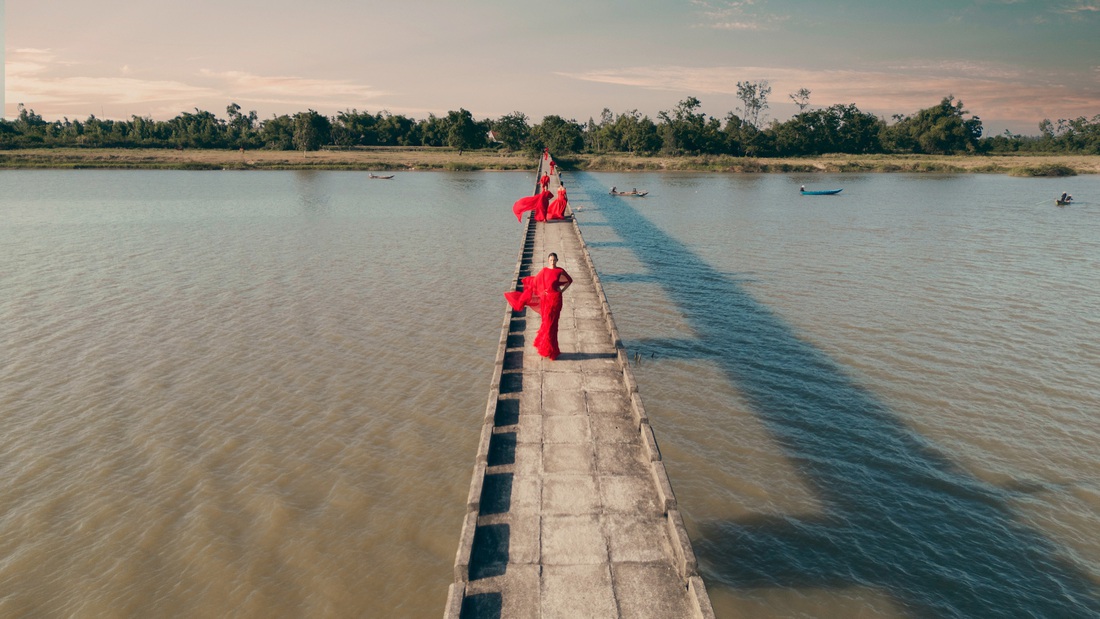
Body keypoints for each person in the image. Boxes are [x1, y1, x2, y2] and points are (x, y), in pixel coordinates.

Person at [505, 253, 572, 360]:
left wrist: (561, 290)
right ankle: (546, 349)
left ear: (557, 260)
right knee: (547, 324)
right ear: (548, 260)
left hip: (556, 300)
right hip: (547, 300)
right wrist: (541, 291)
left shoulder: (560, 271)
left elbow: (569, 281)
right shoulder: (544, 271)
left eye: (554, 260)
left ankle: (552, 350)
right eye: (551, 260)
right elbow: (536, 281)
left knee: (553, 325)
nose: (552, 262)